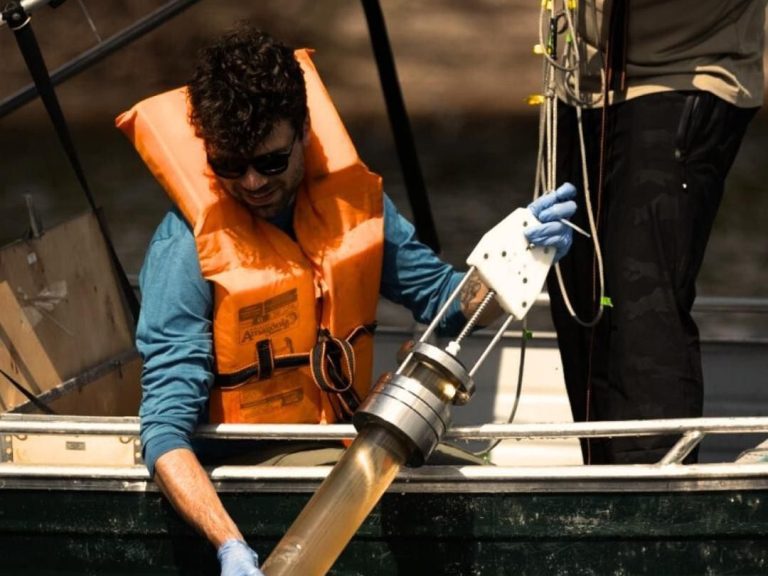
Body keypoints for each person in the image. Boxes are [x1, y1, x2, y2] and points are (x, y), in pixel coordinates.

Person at [119, 26, 577, 575]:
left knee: (474, 478)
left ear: (304, 132)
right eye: (229, 167)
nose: (251, 183)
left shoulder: (353, 204)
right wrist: (229, 545)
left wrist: (517, 260)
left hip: (345, 444)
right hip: (247, 472)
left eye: (269, 162)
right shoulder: (185, 250)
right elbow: (164, 432)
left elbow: (446, 303)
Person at [548, 0, 766, 464]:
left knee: (638, 304)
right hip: (580, 86)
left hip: (684, 71)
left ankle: (655, 506)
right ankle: (601, 496)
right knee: (578, 301)